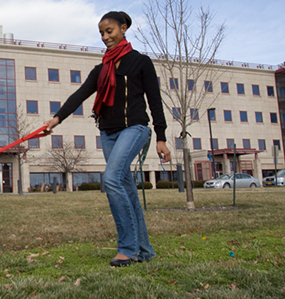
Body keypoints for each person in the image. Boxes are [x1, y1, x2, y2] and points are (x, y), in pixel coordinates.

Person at [43, 11, 171, 267]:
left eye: (109, 31)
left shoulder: (141, 62)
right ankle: (144, 250)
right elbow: (79, 95)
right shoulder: (101, 69)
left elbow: (155, 100)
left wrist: (161, 137)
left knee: (111, 179)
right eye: (101, 33)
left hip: (135, 129)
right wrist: (56, 119)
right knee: (126, 189)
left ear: (123, 29)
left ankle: (127, 248)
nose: (105, 37)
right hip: (108, 132)